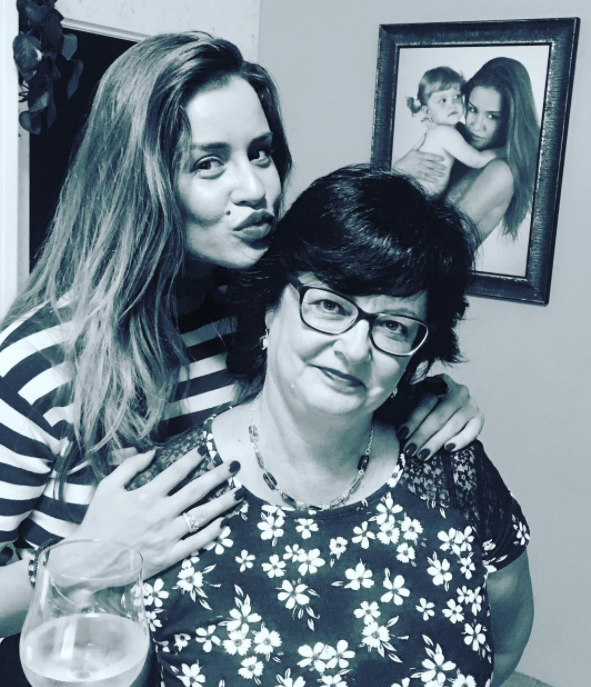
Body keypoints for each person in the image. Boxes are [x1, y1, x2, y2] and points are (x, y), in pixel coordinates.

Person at [0, 32, 484, 663]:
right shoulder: (42, 361)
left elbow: (337, 403)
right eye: (209, 164)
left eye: (261, 153)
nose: (256, 188)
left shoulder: (255, 315)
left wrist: (429, 398)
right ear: (136, 182)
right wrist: (89, 556)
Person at [146, 166, 533, 687]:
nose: (354, 349)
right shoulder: (167, 497)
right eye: (330, 305)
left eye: (393, 325)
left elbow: (504, 643)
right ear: (270, 305)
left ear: (415, 353)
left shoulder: (451, 468)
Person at [396, 57, 540, 249]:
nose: (476, 125)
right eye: (472, 109)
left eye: (493, 116)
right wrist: (399, 168)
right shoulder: (456, 139)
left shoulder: (501, 171)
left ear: (511, 120)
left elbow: (441, 246)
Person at [406, 67, 498, 197]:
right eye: (443, 100)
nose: (452, 104)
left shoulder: (439, 129)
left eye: (457, 96)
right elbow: (478, 160)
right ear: (427, 111)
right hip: (417, 197)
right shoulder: (444, 133)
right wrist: (506, 151)